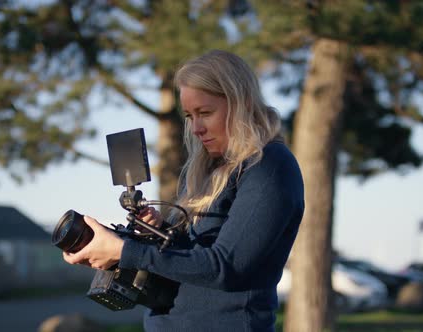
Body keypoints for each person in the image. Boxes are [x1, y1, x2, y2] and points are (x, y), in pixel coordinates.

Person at [63, 50, 304, 332]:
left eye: (205, 113)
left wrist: (126, 251)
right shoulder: (211, 170)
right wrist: (159, 232)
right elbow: (196, 258)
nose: (196, 128)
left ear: (242, 103)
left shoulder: (269, 166)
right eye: (189, 115)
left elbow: (226, 267)